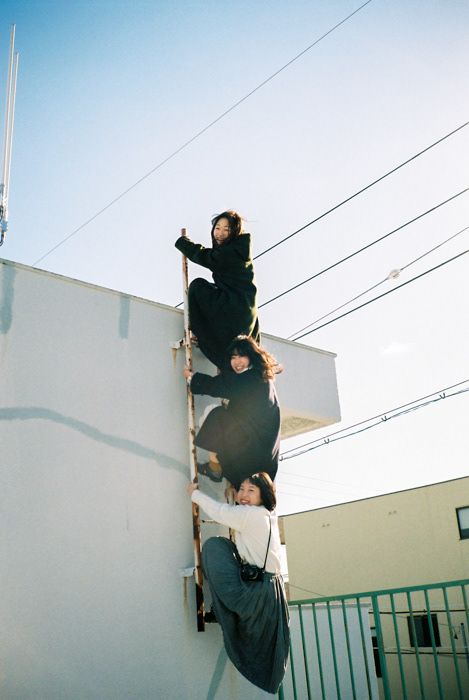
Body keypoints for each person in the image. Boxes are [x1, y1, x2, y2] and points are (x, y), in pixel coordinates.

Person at [187, 472, 290, 695]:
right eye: (242, 489)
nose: (244, 494)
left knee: (215, 547)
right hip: (272, 588)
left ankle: (222, 611)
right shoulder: (267, 514)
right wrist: (238, 496)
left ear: (264, 495)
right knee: (228, 547)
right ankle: (226, 612)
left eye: (251, 490)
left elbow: (220, 512)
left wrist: (194, 494)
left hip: (257, 592)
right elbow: (241, 514)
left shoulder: (251, 515)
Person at [183, 335, 282, 489]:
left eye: (241, 356)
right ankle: (225, 474)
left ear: (252, 357)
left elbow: (223, 385)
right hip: (261, 455)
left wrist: (192, 377)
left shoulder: (252, 377)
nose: (237, 362)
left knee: (216, 414)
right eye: (233, 357)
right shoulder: (261, 378)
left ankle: (215, 467)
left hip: (253, 450)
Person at [175, 211, 260, 370]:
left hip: (234, 312)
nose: (220, 234)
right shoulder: (240, 250)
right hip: (246, 318)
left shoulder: (234, 250)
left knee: (198, 286)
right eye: (217, 228)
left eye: (226, 230)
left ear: (235, 232)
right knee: (212, 288)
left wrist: (183, 243)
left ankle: (202, 333)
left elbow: (207, 257)